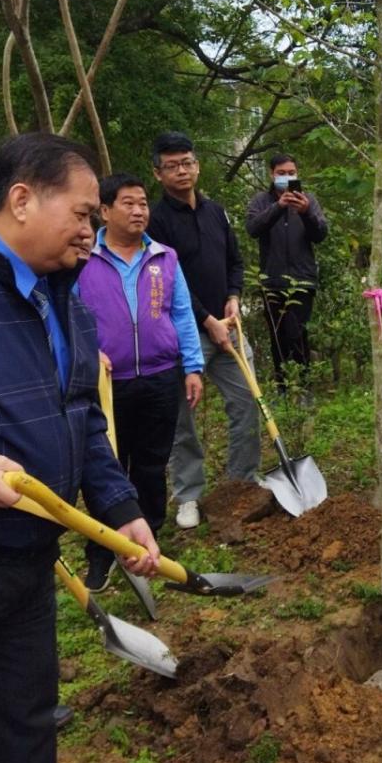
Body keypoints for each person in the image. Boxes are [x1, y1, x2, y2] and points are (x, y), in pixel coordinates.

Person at [0, 132, 159, 763]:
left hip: (25, 580)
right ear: (22, 200)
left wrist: (120, 508)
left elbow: (82, 417)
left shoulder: (66, 301)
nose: (93, 228)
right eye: (82, 214)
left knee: (23, 750)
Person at [76, 174, 204, 590]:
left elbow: (182, 313)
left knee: (151, 464)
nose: (138, 211)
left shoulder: (164, 257)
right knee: (105, 466)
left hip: (159, 378)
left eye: (143, 203)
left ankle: (150, 543)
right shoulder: (82, 258)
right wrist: (85, 350)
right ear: (105, 210)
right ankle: (101, 553)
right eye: (128, 204)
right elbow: (64, 313)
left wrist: (192, 366)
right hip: (105, 384)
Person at [147, 131, 260, 529]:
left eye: (188, 162)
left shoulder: (216, 212)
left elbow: (235, 261)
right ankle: (189, 496)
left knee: (247, 402)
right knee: (183, 420)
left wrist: (233, 296)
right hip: (183, 335)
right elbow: (166, 283)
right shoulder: (155, 222)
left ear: (197, 165)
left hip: (226, 326)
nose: (183, 171)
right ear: (158, 173)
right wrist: (206, 321)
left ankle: (242, 483)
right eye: (173, 165)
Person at [246, 152, 329, 392]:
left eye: (291, 173)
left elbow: (321, 234)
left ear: (297, 174)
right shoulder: (261, 201)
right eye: (281, 173)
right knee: (277, 336)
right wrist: (278, 207)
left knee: (298, 333)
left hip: (302, 281)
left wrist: (305, 213)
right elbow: (253, 228)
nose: (286, 177)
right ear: (272, 175)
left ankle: (303, 387)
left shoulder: (308, 200)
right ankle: (282, 386)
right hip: (271, 281)